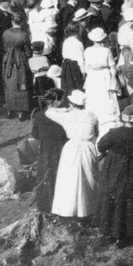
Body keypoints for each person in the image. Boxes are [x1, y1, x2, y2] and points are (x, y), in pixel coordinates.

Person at [94, 105, 133, 247]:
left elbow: (101, 146)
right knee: (130, 198)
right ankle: (130, 231)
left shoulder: (114, 134)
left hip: (113, 167)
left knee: (112, 195)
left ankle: (109, 230)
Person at [47, 90, 100, 219]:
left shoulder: (67, 116)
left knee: (69, 179)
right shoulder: (92, 116)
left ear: (71, 103)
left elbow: (48, 112)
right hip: (88, 147)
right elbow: (96, 132)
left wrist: (65, 110)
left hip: (72, 148)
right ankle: (88, 210)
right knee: (88, 177)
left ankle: (68, 210)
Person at [30, 91, 68, 213]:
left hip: (45, 150)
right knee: (61, 176)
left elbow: (35, 135)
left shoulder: (39, 115)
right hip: (61, 149)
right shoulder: (64, 116)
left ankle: (45, 205)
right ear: (56, 101)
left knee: (45, 176)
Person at [83, 28, 121, 137]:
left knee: (93, 99)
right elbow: (112, 67)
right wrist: (113, 77)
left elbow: (86, 68)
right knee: (106, 97)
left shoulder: (87, 50)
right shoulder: (106, 51)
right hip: (104, 76)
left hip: (92, 76)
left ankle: (93, 123)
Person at [2, 14, 34, 121]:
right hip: (20, 61)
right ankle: (21, 110)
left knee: (9, 83)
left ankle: (10, 109)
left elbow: (5, 46)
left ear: (12, 22)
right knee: (21, 84)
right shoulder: (24, 35)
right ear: (21, 22)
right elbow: (28, 52)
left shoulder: (6, 33)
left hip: (8, 60)